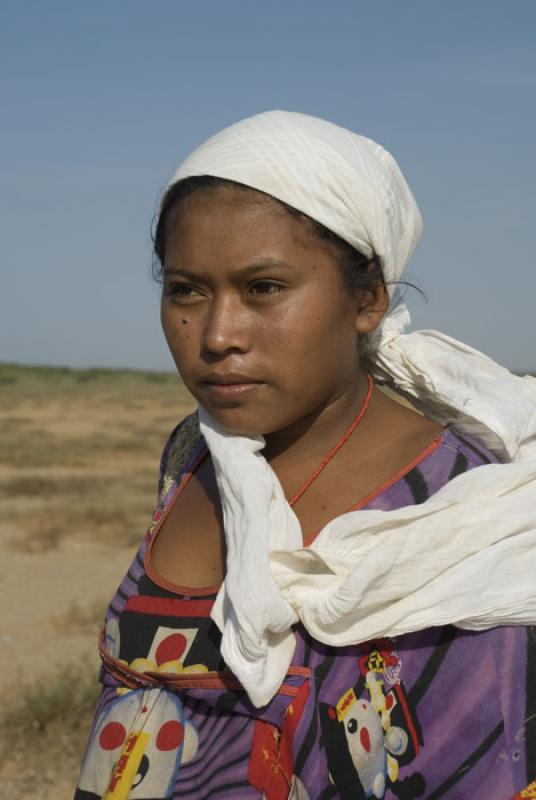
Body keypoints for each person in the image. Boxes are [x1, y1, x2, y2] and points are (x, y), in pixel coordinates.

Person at [74, 111, 536, 800]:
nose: (218, 334)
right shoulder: (197, 456)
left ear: (367, 298)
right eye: (186, 290)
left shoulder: (465, 519)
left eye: (264, 289)